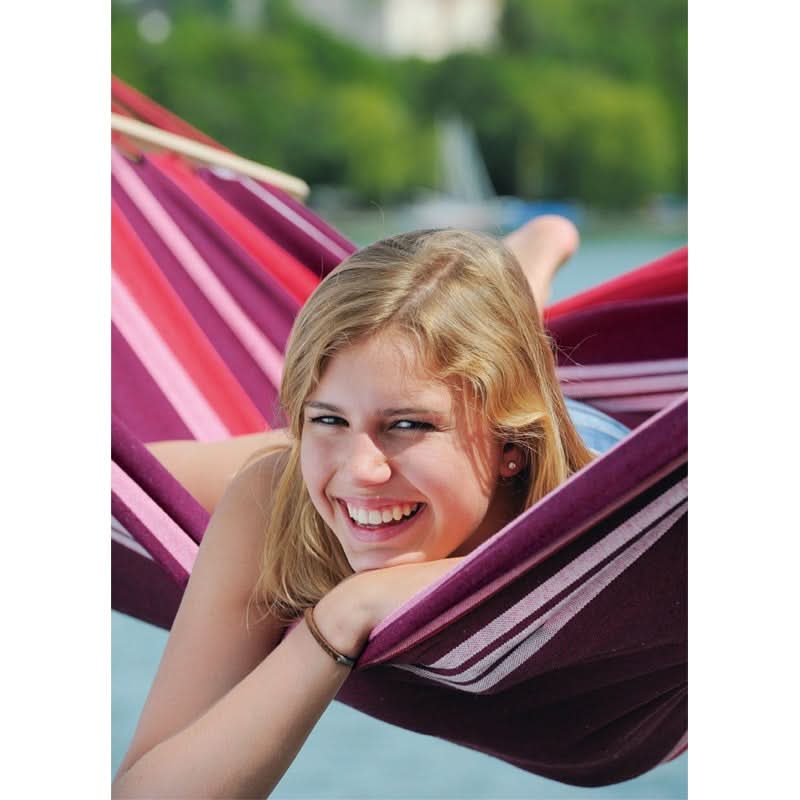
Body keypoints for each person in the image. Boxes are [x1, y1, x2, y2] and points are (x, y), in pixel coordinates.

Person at [112, 216, 629, 798]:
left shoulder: (611, 529)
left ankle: (524, 269)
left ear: (508, 447)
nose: (361, 467)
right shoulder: (276, 497)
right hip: (365, 471)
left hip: (586, 445)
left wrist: (361, 595)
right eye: (324, 417)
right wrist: (338, 620)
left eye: (409, 425)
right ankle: (517, 269)